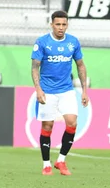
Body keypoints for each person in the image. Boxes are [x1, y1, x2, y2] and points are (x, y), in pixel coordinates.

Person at [31, 10, 89, 176]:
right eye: (58, 24)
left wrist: (84, 90)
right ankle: (46, 164)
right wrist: (38, 89)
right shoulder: (42, 42)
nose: (61, 27)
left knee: (72, 123)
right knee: (47, 126)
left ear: (67, 25)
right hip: (47, 91)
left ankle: (61, 160)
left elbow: (80, 65)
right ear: (52, 25)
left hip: (67, 90)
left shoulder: (73, 42)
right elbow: (35, 67)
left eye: (64, 24)